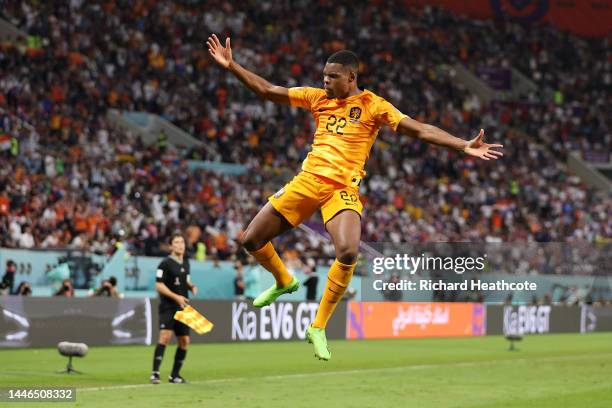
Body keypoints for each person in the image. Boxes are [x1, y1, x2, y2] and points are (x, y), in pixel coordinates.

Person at [207, 34, 504, 360]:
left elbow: (417, 129)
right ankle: (283, 281)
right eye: (324, 75)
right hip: (306, 181)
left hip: (342, 190)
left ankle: (318, 326)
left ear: (351, 77)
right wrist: (232, 65)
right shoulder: (317, 98)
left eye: (332, 76)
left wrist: (462, 144)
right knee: (251, 239)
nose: (325, 81)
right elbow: (268, 91)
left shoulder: (373, 106)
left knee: (348, 251)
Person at [150, 233, 198, 384]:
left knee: (184, 341)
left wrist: (192, 286)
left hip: (183, 307)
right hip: (168, 306)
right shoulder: (164, 263)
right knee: (164, 337)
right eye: (176, 242)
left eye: (182, 242)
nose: (180, 245)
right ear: (171, 246)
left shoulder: (186, 262)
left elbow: (186, 279)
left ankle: (175, 375)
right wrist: (175, 297)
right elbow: (158, 285)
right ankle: (155, 373)